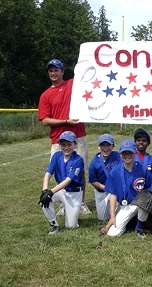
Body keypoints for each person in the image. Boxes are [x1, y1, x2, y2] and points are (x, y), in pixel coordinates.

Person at [38, 59, 91, 215]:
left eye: (56, 70)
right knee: (61, 172)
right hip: (58, 139)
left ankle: (81, 202)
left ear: (62, 71)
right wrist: (65, 121)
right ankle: (64, 202)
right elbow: (45, 120)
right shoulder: (46, 95)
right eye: (51, 71)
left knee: (79, 171)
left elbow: (88, 75)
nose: (53, 73)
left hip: (78, 136)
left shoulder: (71, 85)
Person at [102, 140, 152, 239]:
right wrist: (112, 217)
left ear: (135, 153)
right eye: (124, 153)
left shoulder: (143, 169)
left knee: (146, 197)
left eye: (130, 152)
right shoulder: (115, 171)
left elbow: (150, 190)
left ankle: (139, 228)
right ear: (120, 154)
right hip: (125, 205)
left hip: (140, 204)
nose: (127, 155)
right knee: (113, 233)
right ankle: (129, 223)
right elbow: (113, 195)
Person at [39, 131, 84, 235]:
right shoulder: (56, 156)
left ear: (75, 145)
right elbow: (48, 173)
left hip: (74, 194)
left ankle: (73, 214)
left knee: (71, 226)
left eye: (69, 144)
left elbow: (68, 181)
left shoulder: (78, 160)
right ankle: (54, 225)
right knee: (44, 200)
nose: (66, 147)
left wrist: (50, 192)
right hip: (61, 190)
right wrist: (45, 190)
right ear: (59, 145)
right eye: (63, 145)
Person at [88, 134, 120, 221]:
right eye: (103, 145)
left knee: (117, 215)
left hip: (115, 189)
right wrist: (106, 188)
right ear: (98, 147)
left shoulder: (117, 156)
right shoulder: (94, 163)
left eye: (108, 145)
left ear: (113, 146)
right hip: (101, 191)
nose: (105, 148)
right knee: (103, 218)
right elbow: (93, 181)